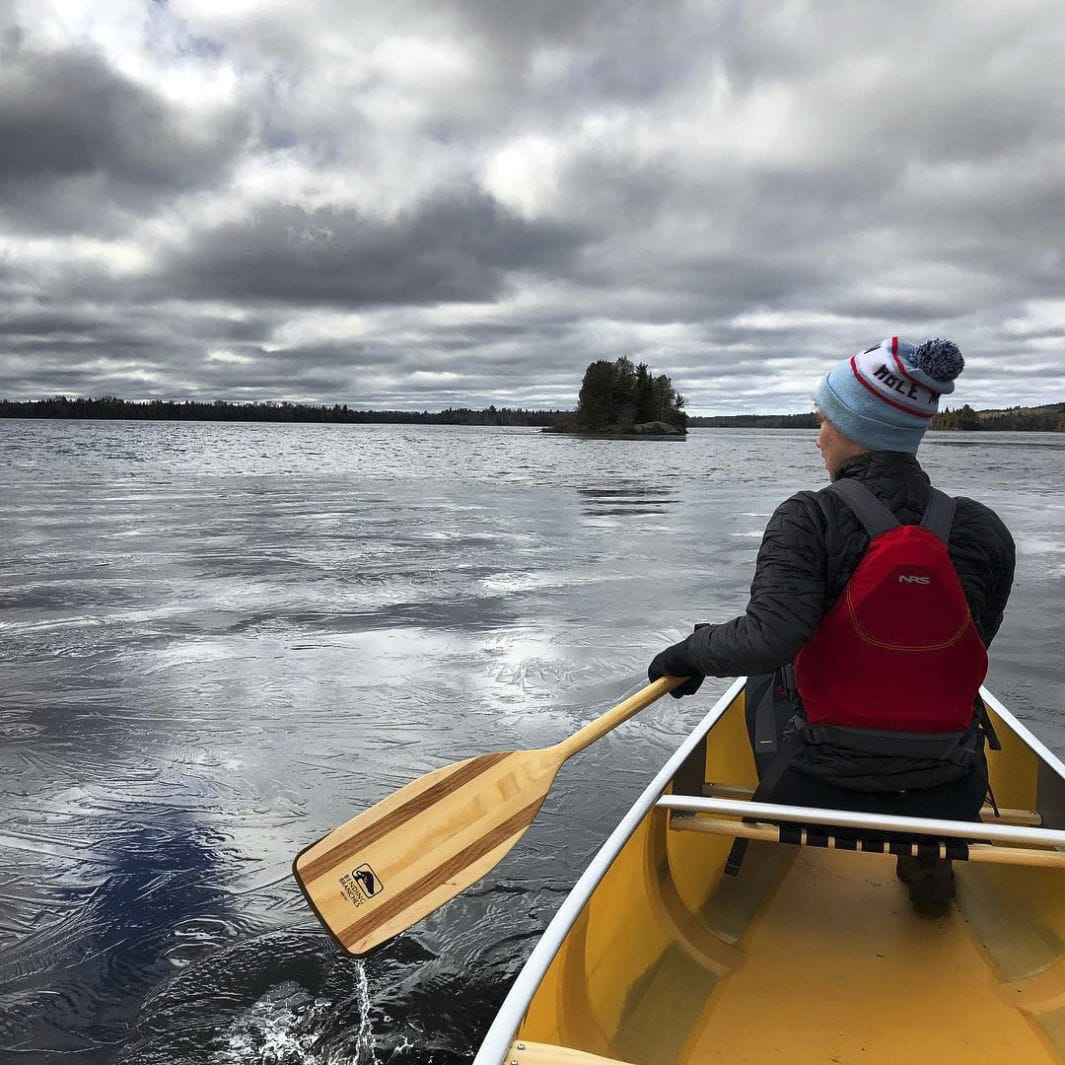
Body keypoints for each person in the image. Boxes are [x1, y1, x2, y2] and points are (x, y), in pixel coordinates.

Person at [647, 337, 1015, 902]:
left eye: (824, 420)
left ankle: (770, 844)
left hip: (812, 784)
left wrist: (690, 651)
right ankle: (928, 855)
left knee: (772, 664)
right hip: (949, 791)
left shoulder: (808, 516)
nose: (818, 436)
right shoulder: (984, 529)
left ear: (853, 428)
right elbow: (973, 647)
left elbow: (766, 640)